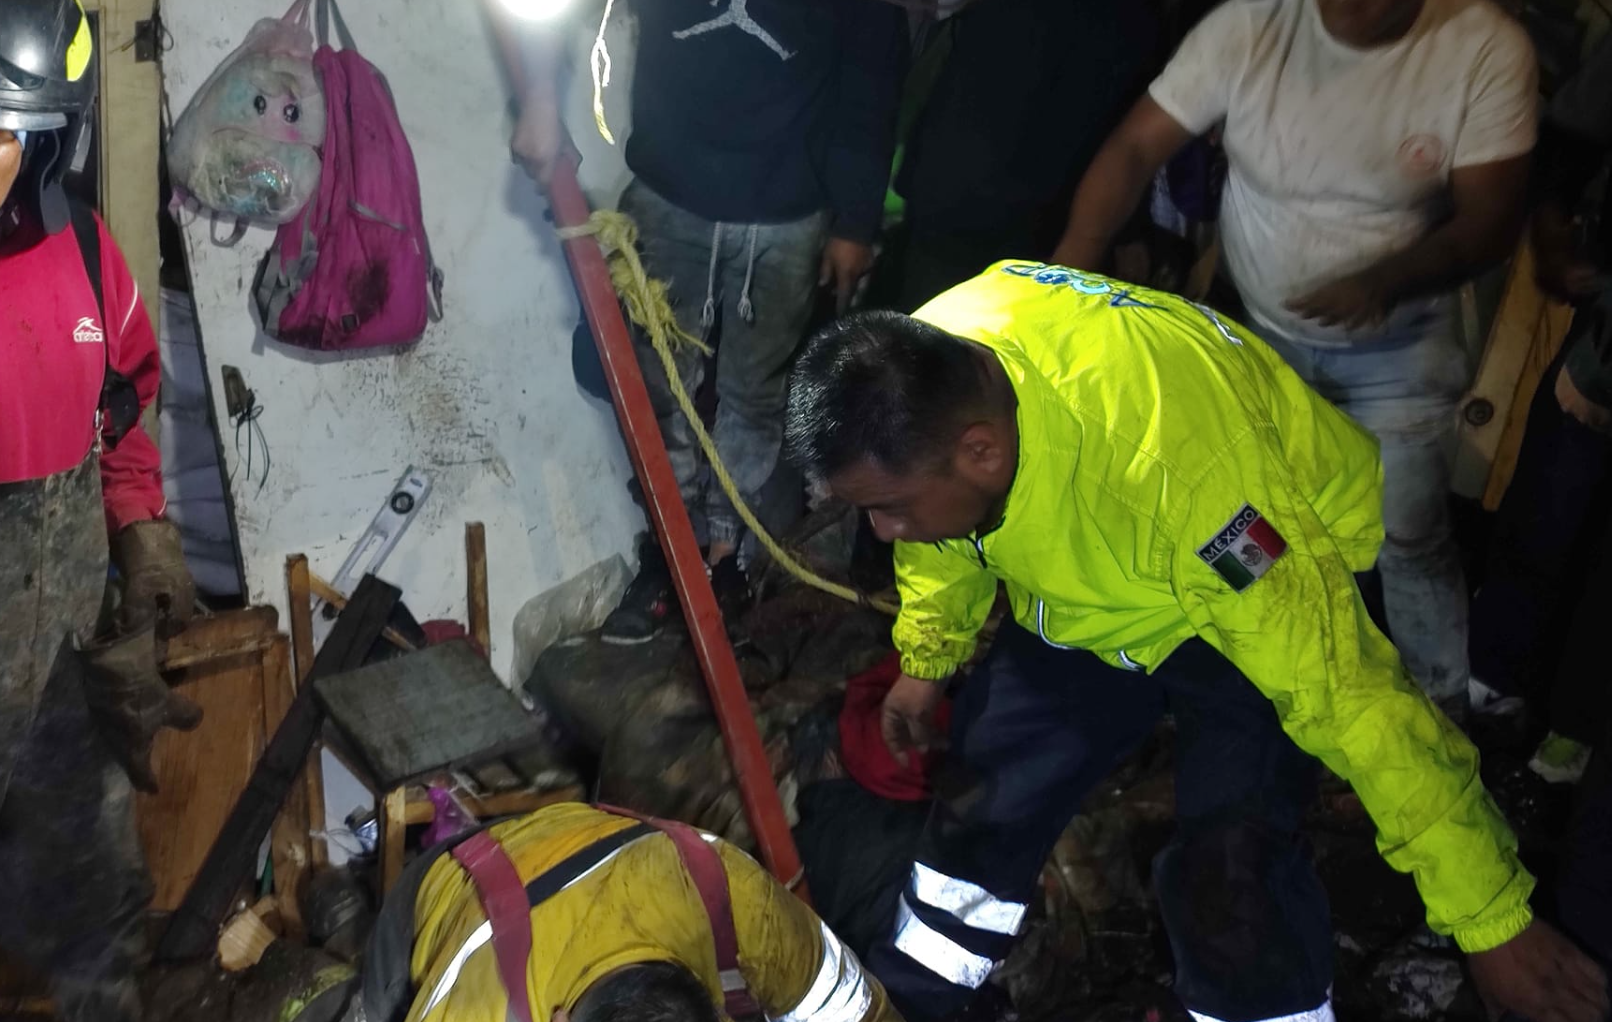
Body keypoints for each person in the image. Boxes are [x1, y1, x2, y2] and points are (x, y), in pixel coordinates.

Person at [783, 262, 1609, 1022]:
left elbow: (1353, 698)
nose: (883, 533)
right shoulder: (931, 366)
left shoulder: (1199, 495)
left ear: (982, 451)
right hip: (1097, 570)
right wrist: (927, 661)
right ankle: (916, 992)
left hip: (1252, 555)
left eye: (887, 507)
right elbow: (943, 536)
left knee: (1232, 856)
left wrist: (1490, 917)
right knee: (993, 774)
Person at [1051, 0, 1538, 711]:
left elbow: (1490, 223)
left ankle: (1439, 709)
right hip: (1263, 335)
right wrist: (1073, 265)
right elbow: (1134, 150)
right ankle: (1256, 692)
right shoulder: (1254, 24)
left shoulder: (1483, 47)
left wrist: (1385, 282)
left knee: (1405, 535)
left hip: (1397, 350)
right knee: (1251, 524)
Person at [511, 0, 906, 644]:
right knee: (654, 387)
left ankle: (727, 565)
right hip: (671, 192)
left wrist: (857, 220)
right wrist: (538, 97)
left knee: (754, 397)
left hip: (787, 214)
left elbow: (871, 79)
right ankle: (672, 555)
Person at [0, 2, 200, 1019]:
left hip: (63, 672)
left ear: (49, 134)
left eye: (2, 135)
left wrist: (146, 546)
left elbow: (122, 410)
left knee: (93, 902)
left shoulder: (85, 253)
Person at [354, 801, 897, 1022]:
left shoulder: (738, 903)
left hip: (598, 856)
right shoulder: (476, 1006)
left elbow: (856, 1012)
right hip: (445, 893)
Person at [1467, 30, 1612, 783]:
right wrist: (1553, 223)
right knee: (1550, 509)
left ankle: (1565, 747)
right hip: (1602, 351)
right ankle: (1492, 700)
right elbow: (1574, 132)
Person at [874, 0, 1159, 313]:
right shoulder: (1134, 19)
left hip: (1018, 214)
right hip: (975, 206)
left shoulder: (1134, 18)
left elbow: (1126, 129)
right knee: (935, 330)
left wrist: (1125, 229)